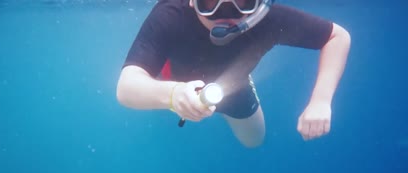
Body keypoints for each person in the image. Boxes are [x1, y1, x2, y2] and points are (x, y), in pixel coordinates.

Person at [116, 0, 351, 148]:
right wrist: (173, 94)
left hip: (233, 87)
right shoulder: (170, 14)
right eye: (209, 2)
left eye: (242, 1)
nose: (226, 11)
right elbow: (126, 87)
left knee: (254, 142)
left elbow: (337, 37)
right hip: (173, 86)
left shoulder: (270, 20)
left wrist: (321, 101)